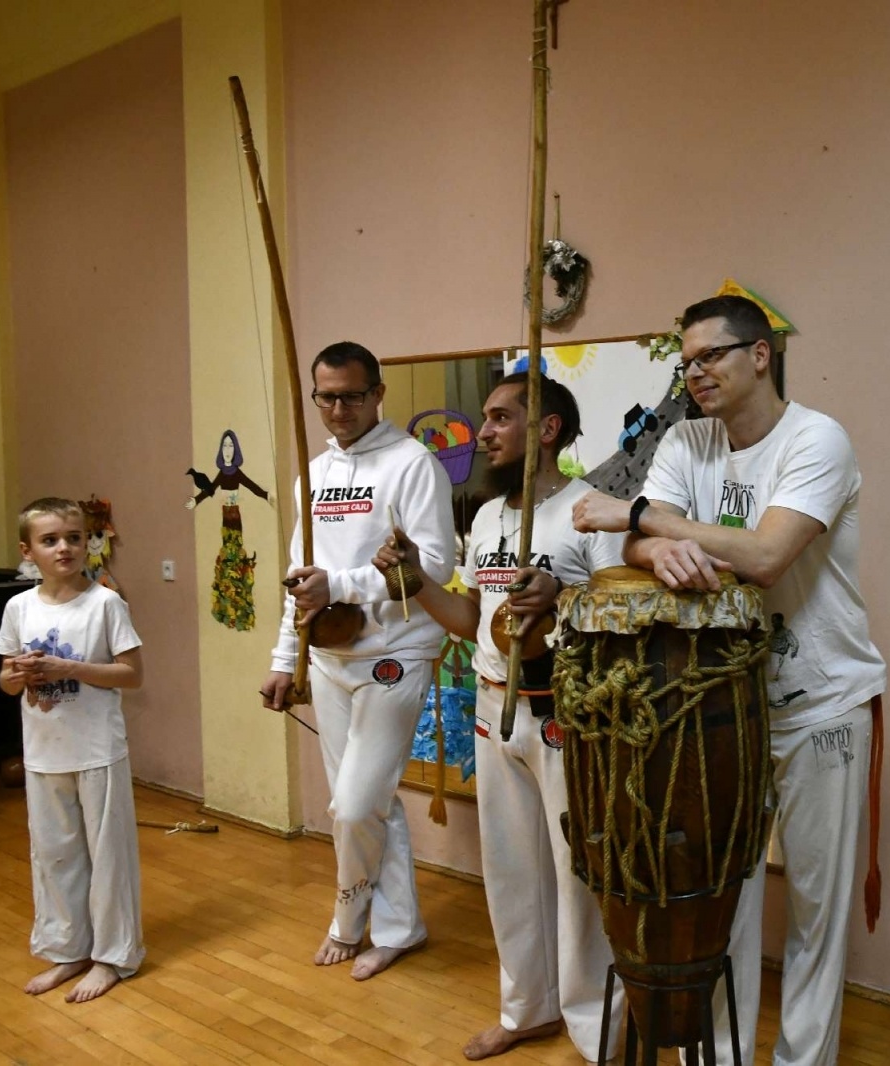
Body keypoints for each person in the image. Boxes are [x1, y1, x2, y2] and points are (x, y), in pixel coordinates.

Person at [572, 295, 887, 1066]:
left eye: (710, 355)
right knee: (720, 893)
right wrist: (651, 545)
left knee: (816, 906)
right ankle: (722, 1057)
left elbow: (768, 555)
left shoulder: (818, 439)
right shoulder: (686, 440)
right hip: (718, 705)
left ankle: (804, 1061)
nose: (696, 372)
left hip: (824, 700)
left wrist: (639, 515)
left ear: (760, 354)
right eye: (686, 361)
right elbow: (639, 548)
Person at [376, 373, 625, 1061]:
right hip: (495, 707)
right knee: (511, 870)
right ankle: (526, 1008)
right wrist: (414, 580)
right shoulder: (487, 519)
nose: (481, 432)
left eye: (499, 418)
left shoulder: (593, 511)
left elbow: (622, 621)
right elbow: (471, 621)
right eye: (486, 418)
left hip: (566, 715)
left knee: (579, 876)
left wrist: (563, 593)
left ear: (546, 430)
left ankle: (595, 1025)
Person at [258, 340, 456, 980]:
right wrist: (285, 657)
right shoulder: (310, 475)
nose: (338, 409)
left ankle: (348, 918)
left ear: (377, 393)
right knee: (373, 804)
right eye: (326, 397)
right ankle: (400, 928)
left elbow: (438, 565)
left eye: (351, 395)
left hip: (396, 653)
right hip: (329, 658)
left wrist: (340, 586)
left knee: (351, 805)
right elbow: (298, 576)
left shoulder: (412, 464)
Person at [0, 497, 146, 1003]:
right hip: (44, 752)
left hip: (97, 749)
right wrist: (16, 675)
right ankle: (68, 949)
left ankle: (113, 955)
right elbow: (5, 682)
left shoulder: (105, 603)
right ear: (28, 551)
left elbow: (132, 674)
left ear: (87, 543)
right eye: (51, 540)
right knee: (55, 856)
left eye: (74, 538)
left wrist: (69, 669)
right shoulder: (19, 607)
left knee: (108, 858)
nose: (65, 547)